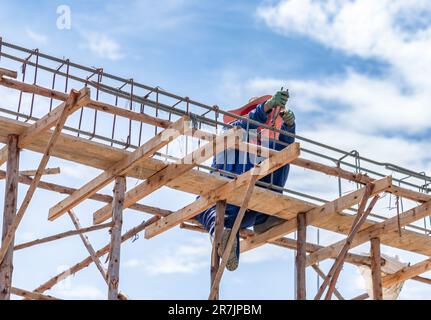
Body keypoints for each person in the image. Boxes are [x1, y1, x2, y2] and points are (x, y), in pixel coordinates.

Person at [195, 89, 296, 271]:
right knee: (211, 214)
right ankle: (225, 235)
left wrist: (289, 127)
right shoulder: (231, 130)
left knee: (281, 156)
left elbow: (284, 147)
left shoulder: (263, 146)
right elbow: (242, 126)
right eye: (262, 111)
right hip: (222, 193)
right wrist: (264, 108)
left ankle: (260, 220)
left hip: (249, 204)